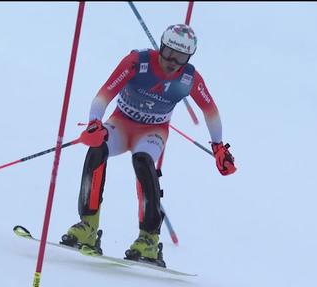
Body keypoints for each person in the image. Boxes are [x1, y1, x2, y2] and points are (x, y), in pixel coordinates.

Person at [60, 24, 236, 267]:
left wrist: (219, 148)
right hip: (121, 123)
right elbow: (104, 94)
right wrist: (94, 124)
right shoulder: (137, 62)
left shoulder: (188, 78)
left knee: (143, 161)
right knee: (97, 149)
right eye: (169, 53)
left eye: (182, 57)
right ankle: (88, 225)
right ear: (161, 47)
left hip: (153, 131)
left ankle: (149, 239)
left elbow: (210, 111)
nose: (173, 61)